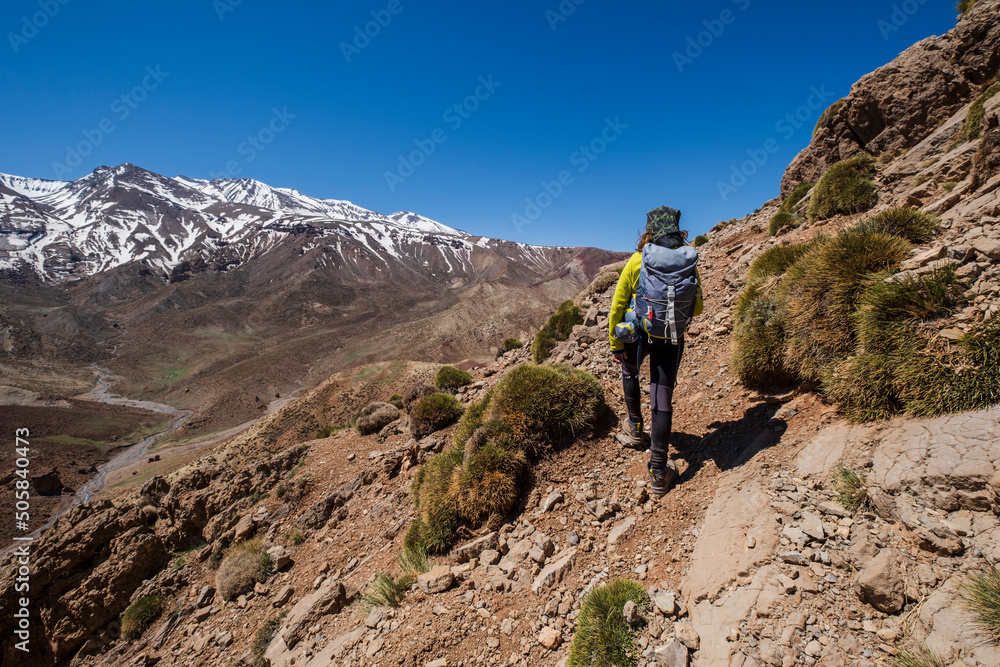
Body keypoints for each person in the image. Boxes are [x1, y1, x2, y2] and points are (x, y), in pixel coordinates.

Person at [607, 206, 703, 496]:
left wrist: (616, 344)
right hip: (671, 339)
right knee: (662, 399)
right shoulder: (688, 263)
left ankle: (635, 429)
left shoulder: (638, 261)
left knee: (630, 371)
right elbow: (697, 307)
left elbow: (617, 305)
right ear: (677, 232)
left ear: (648, 232)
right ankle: (659, 472)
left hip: (639, 336)